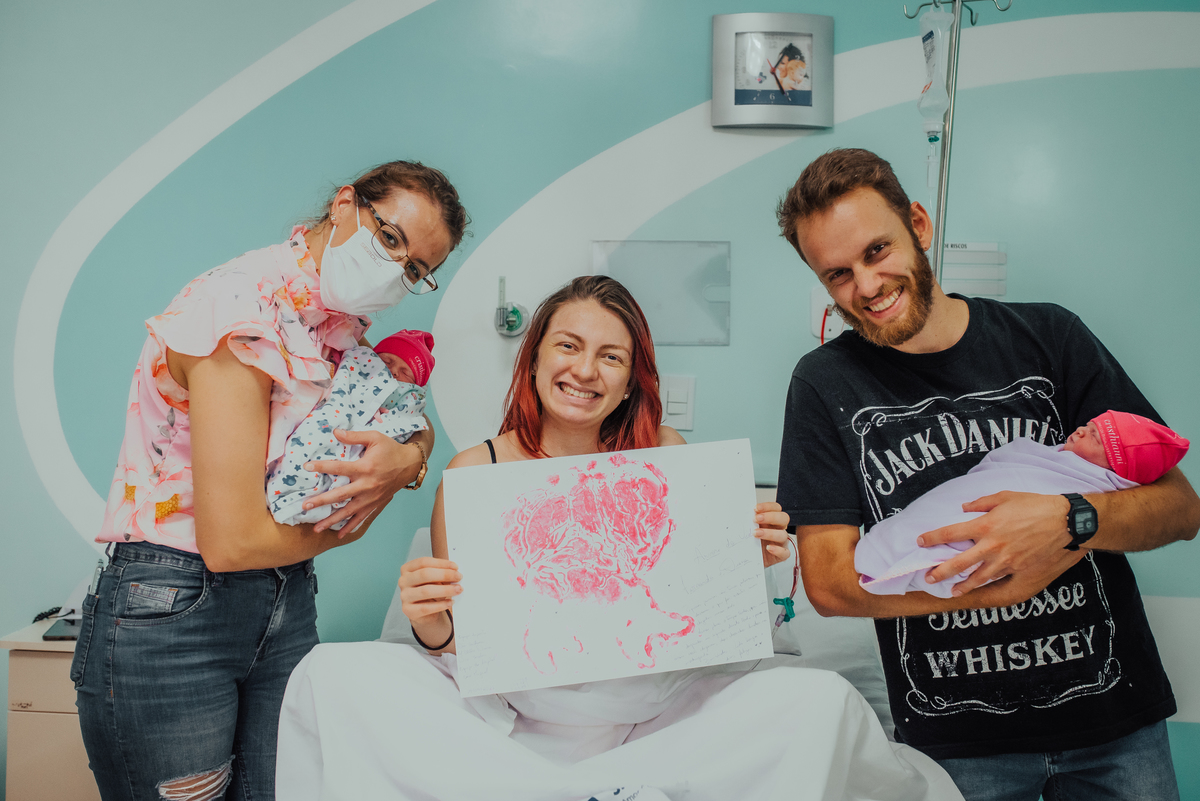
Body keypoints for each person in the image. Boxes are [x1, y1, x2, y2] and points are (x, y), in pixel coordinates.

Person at [275, 276, 963, 801]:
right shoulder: (473, 472)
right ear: (534, 358)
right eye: (568, 346)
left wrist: (740, 560)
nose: (585, 371)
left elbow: (696, 612)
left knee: (822, 703)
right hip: (516, 721)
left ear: (632, 378)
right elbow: (463, 640)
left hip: (657, 714)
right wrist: (431, 625)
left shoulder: (666, 453)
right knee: (330, 676)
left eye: (611, 356)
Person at [774, 147, 1200, 800]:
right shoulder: (823, 383)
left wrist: (1068, 521)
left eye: (877, 250)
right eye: (838, 274)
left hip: (1114, 725)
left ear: (919, 225)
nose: (867, 285)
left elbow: (1181, 508)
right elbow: (830, 582)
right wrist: (999, 584)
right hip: (958, 749)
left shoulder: (1049, 337)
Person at [72, 161, 469, 801]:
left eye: (415, 270)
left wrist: (409, 459)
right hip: (177, 608)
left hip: (285, 598)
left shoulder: (336, 327)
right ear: (344, 204)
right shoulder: (237, 309)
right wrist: (353, 525)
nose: (395, 272)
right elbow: (231, 543)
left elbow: (397, 413)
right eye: (391, 239)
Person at [856, 411, 1189, 596]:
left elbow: (1186, 513)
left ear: (1117, 467)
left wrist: (1067, 519)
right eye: (1089, 426)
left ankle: (917, 562)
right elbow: (1004, 465)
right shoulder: (1047, 456)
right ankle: (895, 551)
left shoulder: (1097, 482)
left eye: (1097, 438)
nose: (1080, 431)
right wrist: (1008, 595)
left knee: (958, 552)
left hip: (1096, 676)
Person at [268, 329, 437, 530]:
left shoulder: (405, 407)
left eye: (406, 373)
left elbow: (415, 423)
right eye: (387, 361)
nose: (393, 372)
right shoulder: (358, 364)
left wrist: (407, 453)